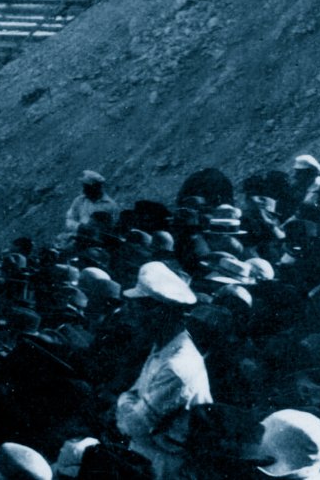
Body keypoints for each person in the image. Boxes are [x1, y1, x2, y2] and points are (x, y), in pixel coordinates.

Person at [114, 263, 210, 480]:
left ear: (158, 312)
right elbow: (133, 397)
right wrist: (129, 403)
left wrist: (124, 404)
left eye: (136, 307)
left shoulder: (177, 366)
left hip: (163, 468)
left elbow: (134, 425)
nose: (130, 313)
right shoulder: (163, 348)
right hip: (146, 458)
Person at [64, 171, 120, 238]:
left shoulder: (111, 205)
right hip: (79, 238)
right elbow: (69, 220)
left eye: (87, 187)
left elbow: (115, 228)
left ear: (96, 187)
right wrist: (79, 227)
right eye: (84, 186)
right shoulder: (79, 201)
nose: (84, 190)